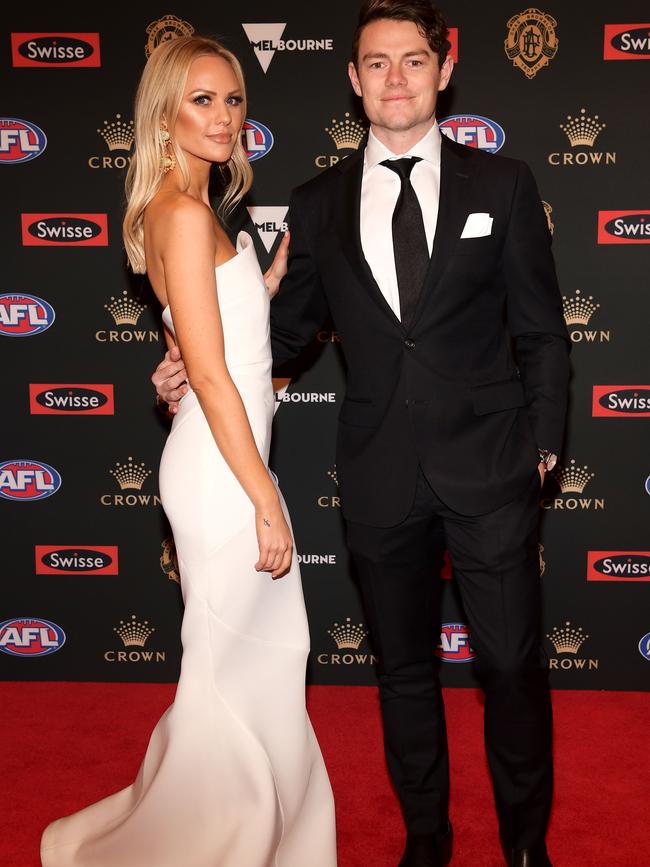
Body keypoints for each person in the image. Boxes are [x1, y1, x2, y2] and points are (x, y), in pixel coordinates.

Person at [154, 2, 570, 865]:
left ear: (443, 68)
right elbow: (284, 331)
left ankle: (528, 845)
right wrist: (194, 370)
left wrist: (544, 448)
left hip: (493, 470)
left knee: (510, 670)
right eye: (376, 63)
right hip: (379, 475)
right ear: (352, 79)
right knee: (404, 672)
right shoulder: (317, 202)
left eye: (412, 61)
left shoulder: (506, 184)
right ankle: (428, 837)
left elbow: (543, 332)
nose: (395, 79)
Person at [41, 35, 337, 867]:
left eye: (234, 99)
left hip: (223, 460)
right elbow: (209, 374)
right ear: (165, 114)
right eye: (202, 99)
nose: (223, 115)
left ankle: (257, 840)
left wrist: (262, 288)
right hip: (222, 474)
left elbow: (211, 343)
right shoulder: (180, 213)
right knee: (232, 674)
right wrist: (267, 498)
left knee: (252, 667)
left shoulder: (200, 213)